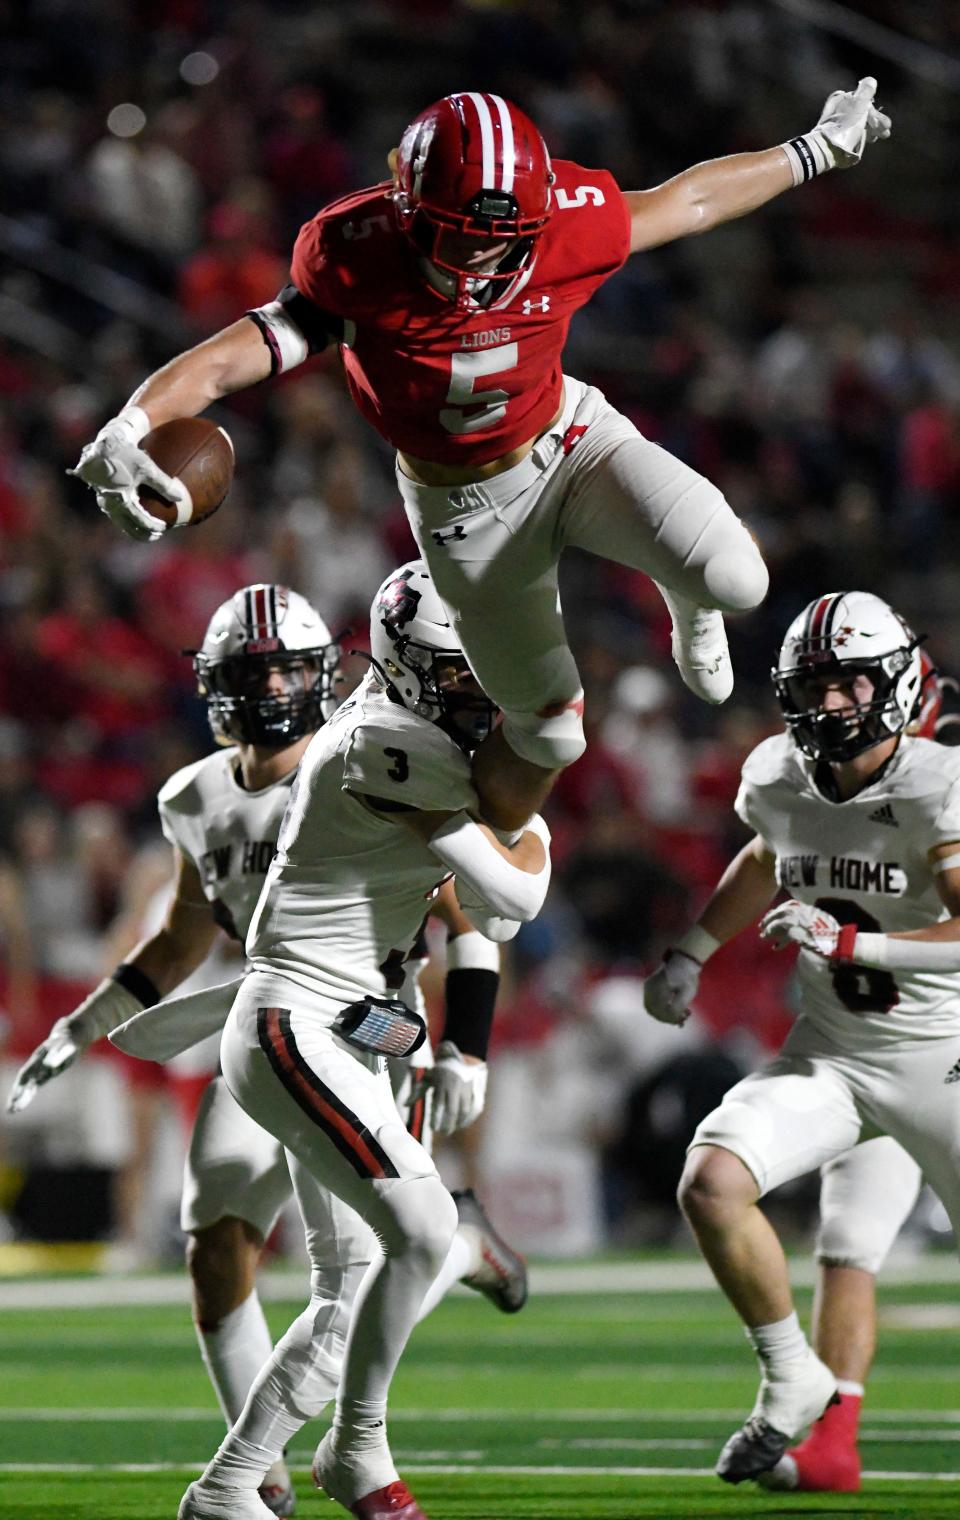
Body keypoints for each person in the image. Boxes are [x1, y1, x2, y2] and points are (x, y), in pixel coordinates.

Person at [69, 84, 890, 834]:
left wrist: (815, 148)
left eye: (505, 243)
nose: (487, 264)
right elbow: (234, 356)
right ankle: (491, 857)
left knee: (739, 580)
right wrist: (134, 420)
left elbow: (692, 200)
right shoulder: (354, 253)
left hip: (573, 442)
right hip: (464, 509)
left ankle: (685, 590)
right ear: (407, 207)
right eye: (461, 239)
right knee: (548, 730)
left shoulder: (567, 220)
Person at [6, 578, 522, 1520]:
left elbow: (471, 912)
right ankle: (274, 1469)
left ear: (328, 674)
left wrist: (465, 1047)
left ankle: (280, 1462)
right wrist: (80, 1025)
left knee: (376, 1259)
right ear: (213, 681)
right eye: (256, 670)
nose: (276, 686)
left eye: (290, 667)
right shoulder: (194, 795)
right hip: (273, 1019)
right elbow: (182, 933)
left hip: (366, 1029)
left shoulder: (364, 755)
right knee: (218, 1244)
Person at [164, 560, 550, 1520]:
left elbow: (486, 925)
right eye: (460, 668)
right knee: (424, 1230)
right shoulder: (382, 743)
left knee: (355, 1280)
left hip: (347, 1025)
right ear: (412, 667)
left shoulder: (409, 732)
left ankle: (282, 1479)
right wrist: (538, 813)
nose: (479, 685)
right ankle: (342, 1452)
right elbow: (513, 898)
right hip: (299, 1019)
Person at [642, 589, 960, 1486]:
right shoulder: (776, 773)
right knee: (712, 1184)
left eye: (849, 685)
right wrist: (693, 951)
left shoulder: (939, 780)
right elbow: (766, 854)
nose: (827, 707)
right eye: (811, 688)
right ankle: (793, 1381)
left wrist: (852, 940)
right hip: (834, 1051)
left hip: (944, 1056)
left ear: (894, 685)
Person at [757, 653, 960, 1494]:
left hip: (944, 1036)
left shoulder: (934, 780)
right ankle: (835, 1439)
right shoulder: (827, 779)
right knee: (848, 1240)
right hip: (876, 1040)